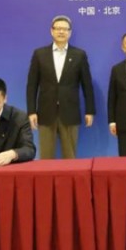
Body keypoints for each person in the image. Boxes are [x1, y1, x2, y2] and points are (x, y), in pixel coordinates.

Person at [26, 15, 95, 158]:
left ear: (70, 32)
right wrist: (31, 111)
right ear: (51, 31)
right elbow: (32, 85)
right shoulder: (40, 54)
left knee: (70, 157)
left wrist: (90, 111)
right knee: (46, 158)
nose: (61, 32)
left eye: (65, 29)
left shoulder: (79, 55)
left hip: (70, 112)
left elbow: (87, 85)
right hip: (45, 112)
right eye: (58, 28)